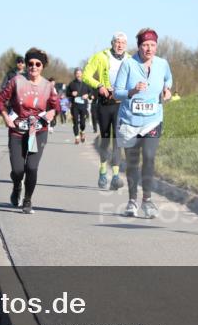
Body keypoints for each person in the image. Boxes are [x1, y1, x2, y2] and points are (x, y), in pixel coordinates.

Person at [113, 28, 173, 219]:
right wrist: (132, 91)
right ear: (138, 46)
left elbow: (168, 79)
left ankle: (147, 200)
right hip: (130, 121)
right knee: (132, 162)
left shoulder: (163, 64)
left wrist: (167, 90)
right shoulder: (128, 65)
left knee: (148, 156)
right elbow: (117, 92)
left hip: (152, 120)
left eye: (152, 45)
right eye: (145, 45)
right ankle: (132, 200)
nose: (149, 48)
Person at [0, 48, 60, 214]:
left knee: (31, 167)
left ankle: (27, 200)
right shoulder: (17, 81)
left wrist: (51, 113)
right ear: (26, 65)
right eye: (30, 63)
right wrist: (5, 117)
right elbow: (1, 100)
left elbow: (56, 107)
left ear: (42, 66)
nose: (33, 66)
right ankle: (17, 186)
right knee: (18, 170)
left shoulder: (48, 86)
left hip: (38, 131)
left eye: (37, 64)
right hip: (17, 130)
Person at [83, 31, 128, 190]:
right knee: (106, 138)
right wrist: (99, 86)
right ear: (112, 43)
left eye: (123, 42)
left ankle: (115, 176)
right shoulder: (100, 57)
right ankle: (103, 170)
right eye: (117, 41)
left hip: (121, 105)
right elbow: (86, 75)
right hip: (104, 103)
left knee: (118, 140)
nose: (120, 45)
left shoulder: (130, 59)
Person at [66, 68, 90, 144]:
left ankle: (82, 131)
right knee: (75, 122)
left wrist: (87, 95)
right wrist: (71, 94)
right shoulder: (71, 84)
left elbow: (91, 93)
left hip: (83, 105)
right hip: (75, 106)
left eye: (79, 73)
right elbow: (67, 93)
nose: (78, 75)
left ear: (82, 74)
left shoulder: (86, 84)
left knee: (83, 122)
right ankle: (76, 137)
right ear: (75, 75)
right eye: (77, 73)